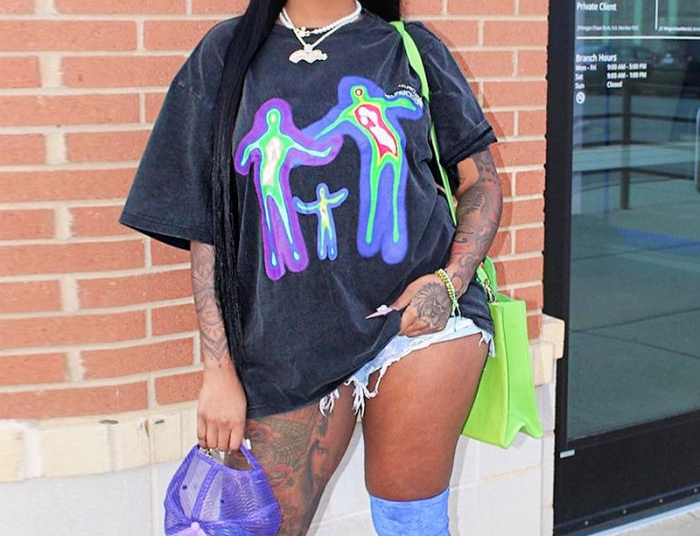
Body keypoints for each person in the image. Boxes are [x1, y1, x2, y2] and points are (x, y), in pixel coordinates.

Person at [120, 0, 502, 533]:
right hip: (288, 343)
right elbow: (203, 226)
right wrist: (218, 372)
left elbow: (480, 181)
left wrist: (449, 282)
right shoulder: (226, 54)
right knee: (259, 525)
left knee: (410, 523)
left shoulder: (409, 50)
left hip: (417, 324)